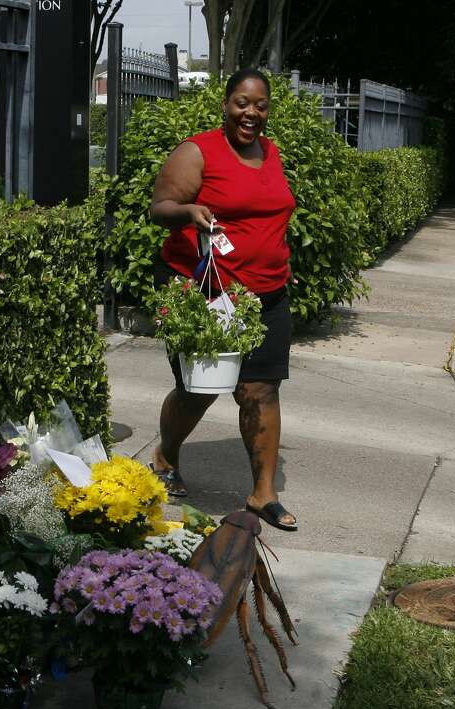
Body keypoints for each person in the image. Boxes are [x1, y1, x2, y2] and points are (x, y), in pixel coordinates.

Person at [147, 67, 298, 531]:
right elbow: (159, 209)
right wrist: (189, 212)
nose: (250, 113)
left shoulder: (270, 153)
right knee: (199, 391)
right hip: (207, 293)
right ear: (226, 103)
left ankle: (262, 494)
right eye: (242, 102)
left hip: (267, 293)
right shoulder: (199, 151)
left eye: (260, 105)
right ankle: (166, 456)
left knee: (260, 388)